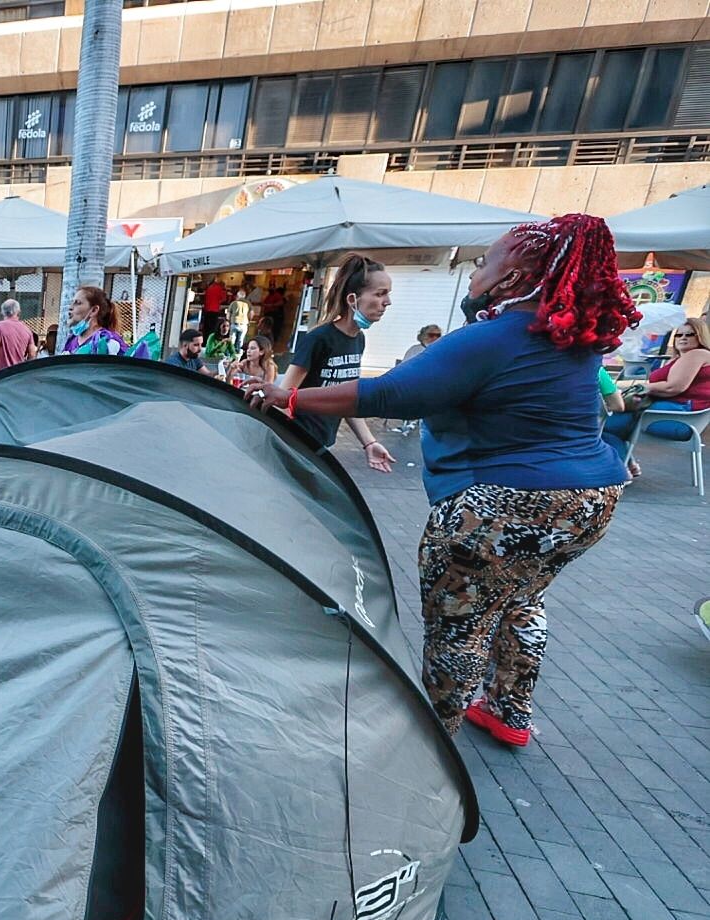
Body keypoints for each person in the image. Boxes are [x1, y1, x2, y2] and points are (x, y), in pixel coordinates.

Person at [243, 214, 636, 748]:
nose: (476, 272)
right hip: (590, 500)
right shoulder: (571, 340)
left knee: (461, 624)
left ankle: (430, 746)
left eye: (484, 262)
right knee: (522, 601)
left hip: (504, 503)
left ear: (514, 277)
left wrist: (285, 396)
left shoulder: (492, 338)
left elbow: (387, 395)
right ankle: (508, 713)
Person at [274, 252, 396, 473]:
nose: (387, 302)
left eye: (387, 295)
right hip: (298, 446)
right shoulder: (319, 338)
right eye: (380, 294)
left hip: (322, 446)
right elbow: (282, 398)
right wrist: (287, 447)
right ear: (352, 299)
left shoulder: (358, 339)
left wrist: (369, 442)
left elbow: (346, 398)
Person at [604, 318, 710, 449]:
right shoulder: (680, 358)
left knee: (607, 424)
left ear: (701, 336)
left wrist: (644, 388)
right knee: (611, 423)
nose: (683, 338)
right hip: (676, 416)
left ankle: (616, 466)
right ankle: (625, 464)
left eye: (689, 334)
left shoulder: (696, 354)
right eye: (679, 334)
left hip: (677, 418)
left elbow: (673, 387)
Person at [62, 287, 127, 356]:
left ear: (94, 310)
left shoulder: (108, 340)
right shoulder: (71, 341)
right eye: (72, 302)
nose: (70, 307)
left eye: (78, 303)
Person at [0, 299, 38, 371]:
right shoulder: (27, 330)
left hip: (2, 373)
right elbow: (32, 354)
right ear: (18, 312)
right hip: (18, 374)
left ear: (2, 312)